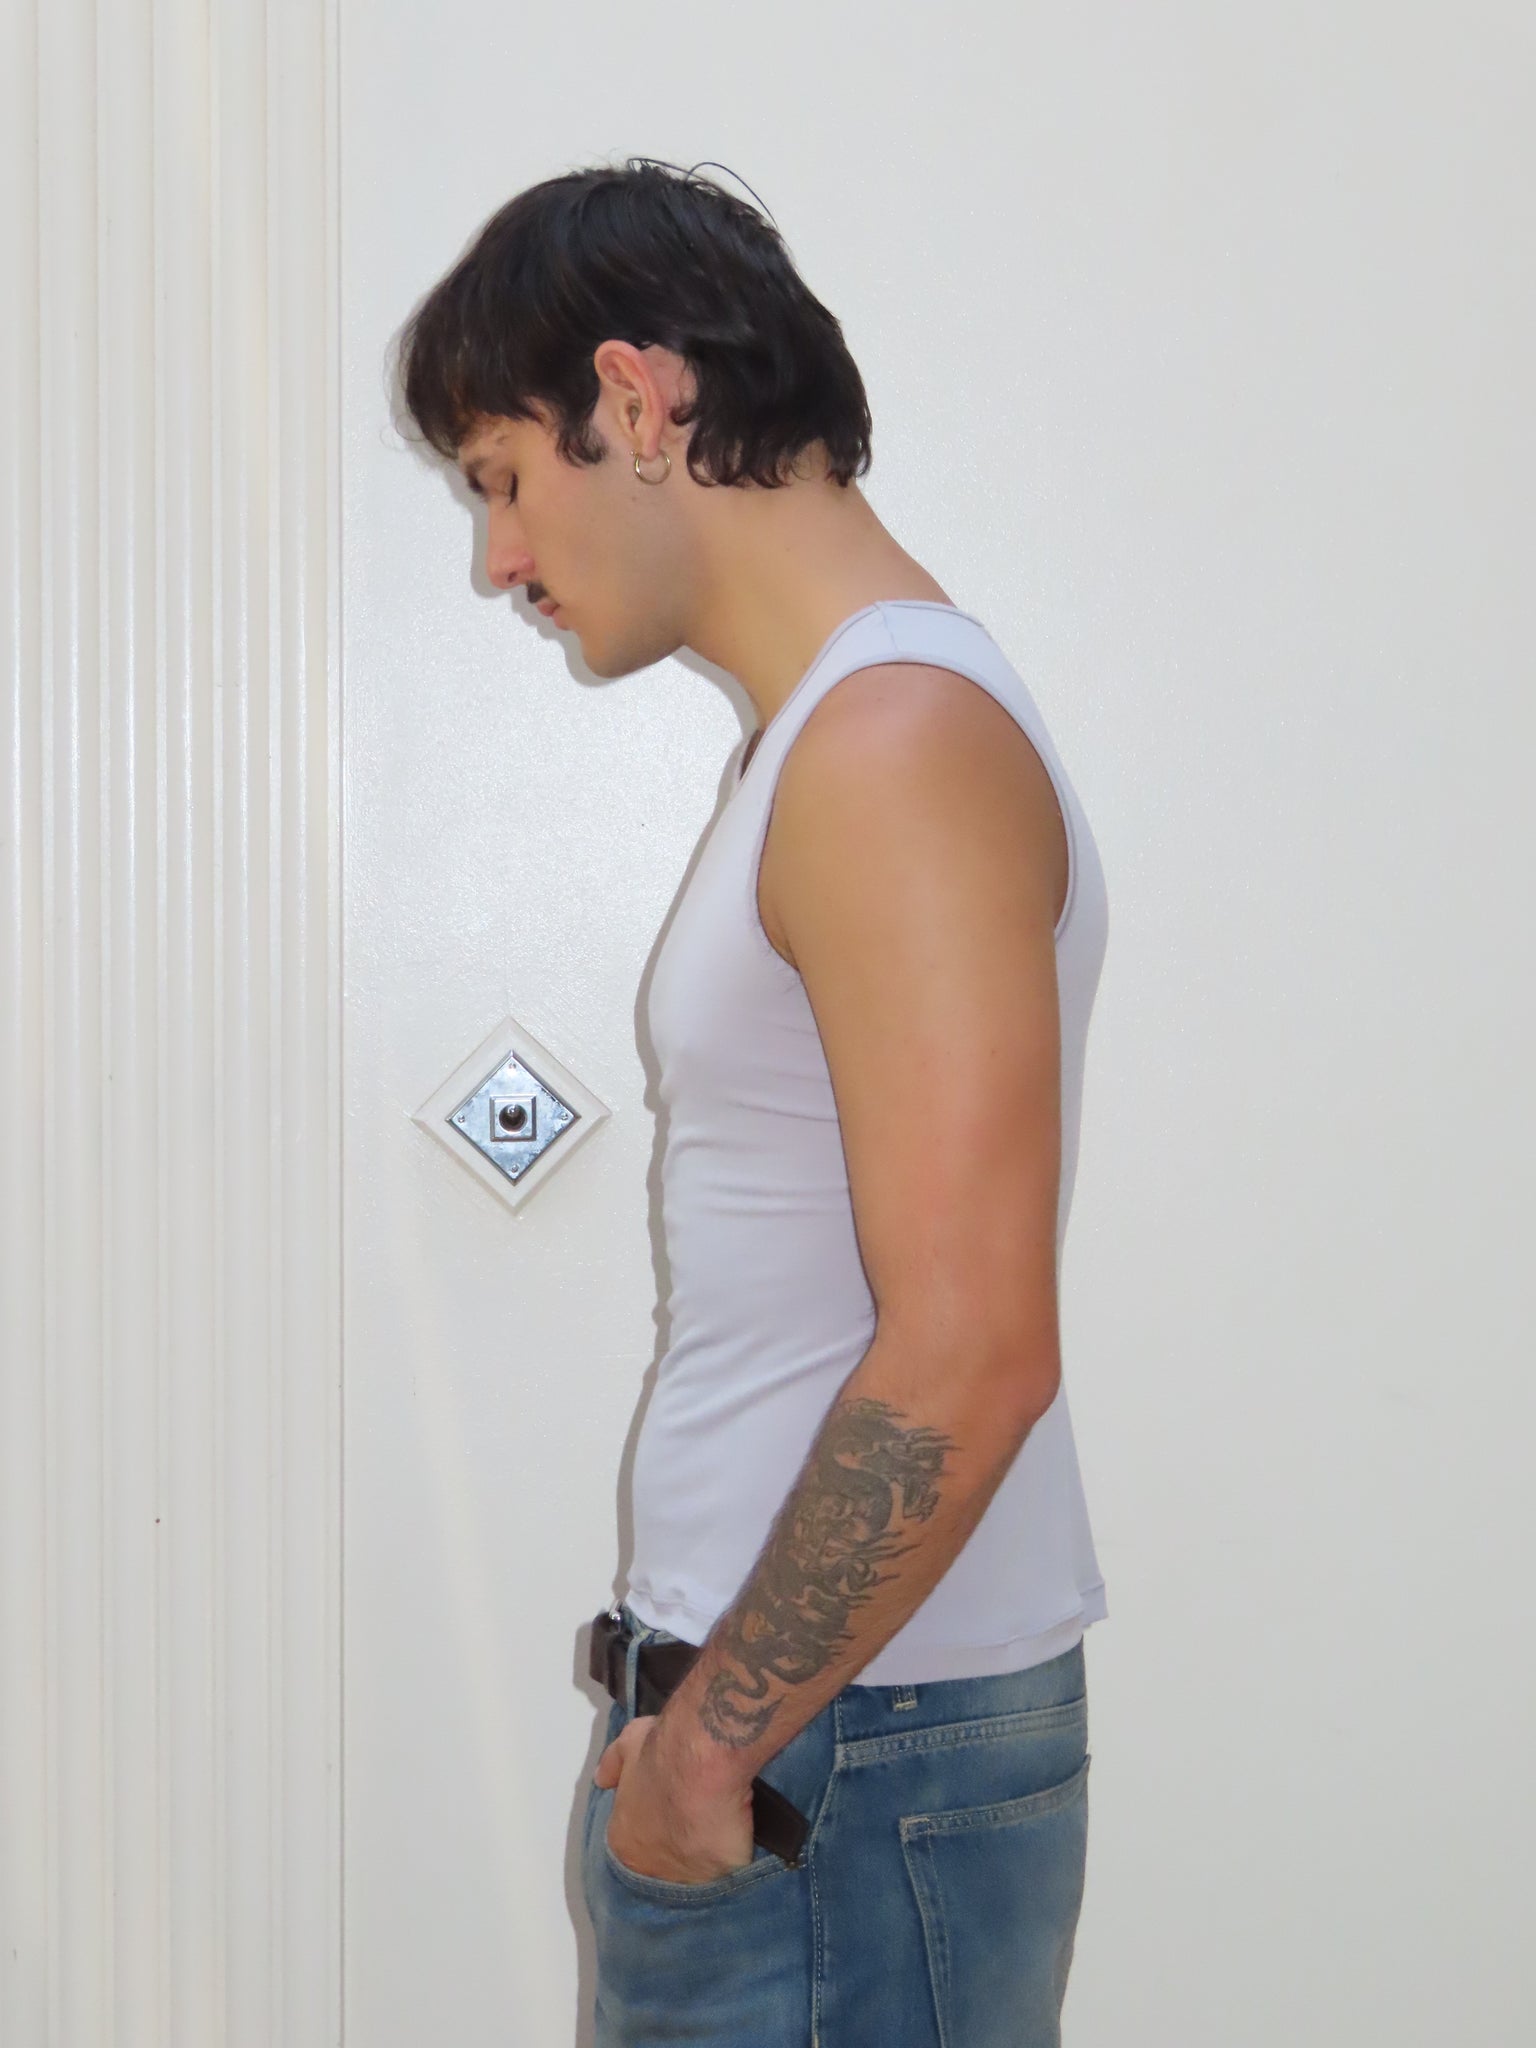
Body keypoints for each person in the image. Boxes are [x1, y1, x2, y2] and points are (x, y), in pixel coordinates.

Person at [398, 157, 1110, 2048]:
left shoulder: (893, 745)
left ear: (634, 403)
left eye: (501, 478)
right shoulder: (837, 740)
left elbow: (971, 1346)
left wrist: (712, 1749)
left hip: (828, 1780)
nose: (498, 560)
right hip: (815, 1765)